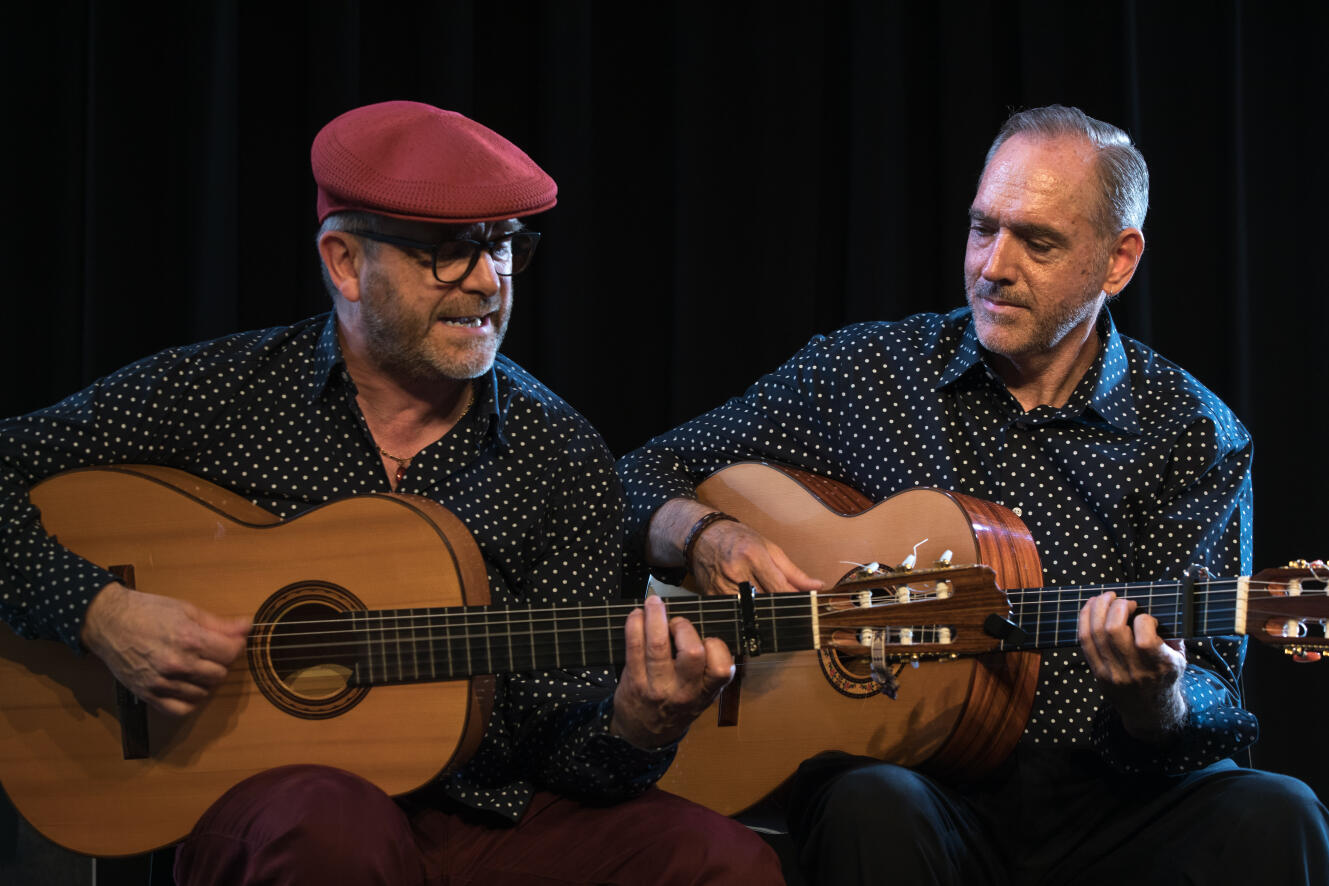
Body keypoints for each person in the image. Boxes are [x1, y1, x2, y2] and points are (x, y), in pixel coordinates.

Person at [0, 100, 783, 885]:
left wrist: (638, 727)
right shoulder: (216, 394)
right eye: (447, 252)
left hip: (485, 823)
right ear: (343, 261)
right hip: (278, 811)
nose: (487, 283)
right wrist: (99, 611)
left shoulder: (560, 451)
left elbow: (569, 753)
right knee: (334, 825)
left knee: (722, 860)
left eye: (503, 247)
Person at [618, 105, 1329, 884]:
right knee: (870, 802)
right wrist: (705, 535)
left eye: (1037, 241)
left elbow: (1213, 693)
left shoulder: (1190, 429)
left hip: (1114, 798)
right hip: (919, 785)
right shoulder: (866, 373)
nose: (993, 265)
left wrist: (1154, 698)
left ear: (1117, 261)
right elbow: (637, 477)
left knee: (1280, 811)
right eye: (982, 227)